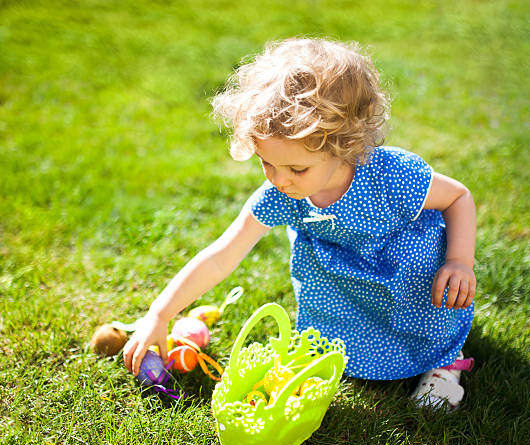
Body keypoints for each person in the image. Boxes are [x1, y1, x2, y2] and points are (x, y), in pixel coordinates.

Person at [123, 38, 477, 411]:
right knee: (329, 315)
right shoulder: (280, 194)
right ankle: (357, 344)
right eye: (266, 162)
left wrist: (459, 260)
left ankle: (443, 362)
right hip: (346, 280)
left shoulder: (390, 176)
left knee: (422, 296)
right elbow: (220, 256)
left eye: (297, 168)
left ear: (345, 145)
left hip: (409, 270)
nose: (279, 180)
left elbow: (458, 197)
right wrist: (159, 314)